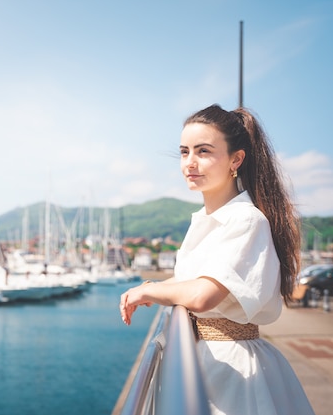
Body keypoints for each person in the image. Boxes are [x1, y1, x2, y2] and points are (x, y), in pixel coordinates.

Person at [119, 104, 315, 414]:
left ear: (236, 159)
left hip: (231, 369)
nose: (190, 163)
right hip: (206, 361)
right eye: (184, 152)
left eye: (204, 151)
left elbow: (203, 294)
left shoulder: (246, 220)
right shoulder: (206, 220)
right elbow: (191, 281)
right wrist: (157, 287)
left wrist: (150, 290)